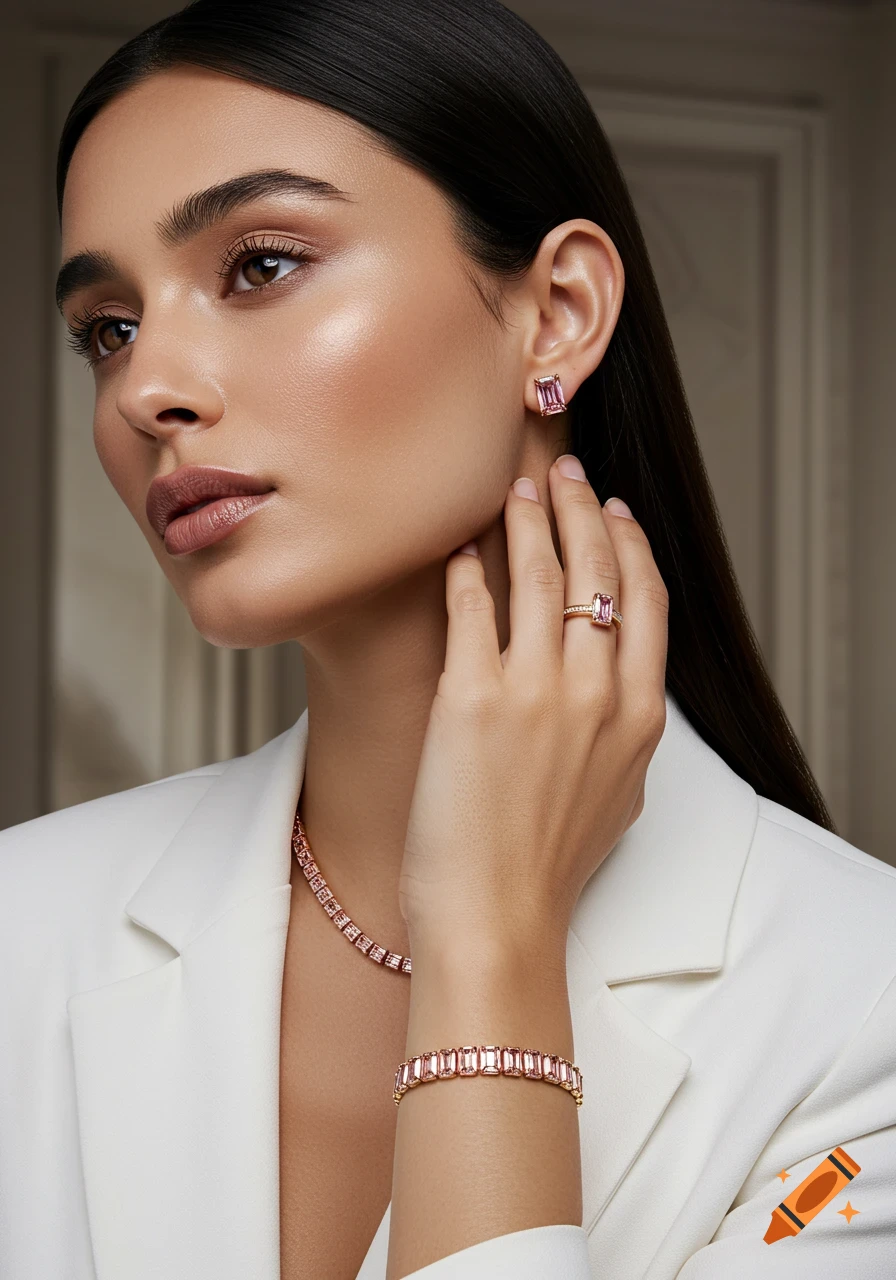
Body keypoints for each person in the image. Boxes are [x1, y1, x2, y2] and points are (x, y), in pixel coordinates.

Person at [1, 0, 894, 1276]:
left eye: (258, 264)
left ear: (558, 312)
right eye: (109, 327)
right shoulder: (19, 928)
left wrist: (487, 937)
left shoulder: (866, 1009)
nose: (148, 388)